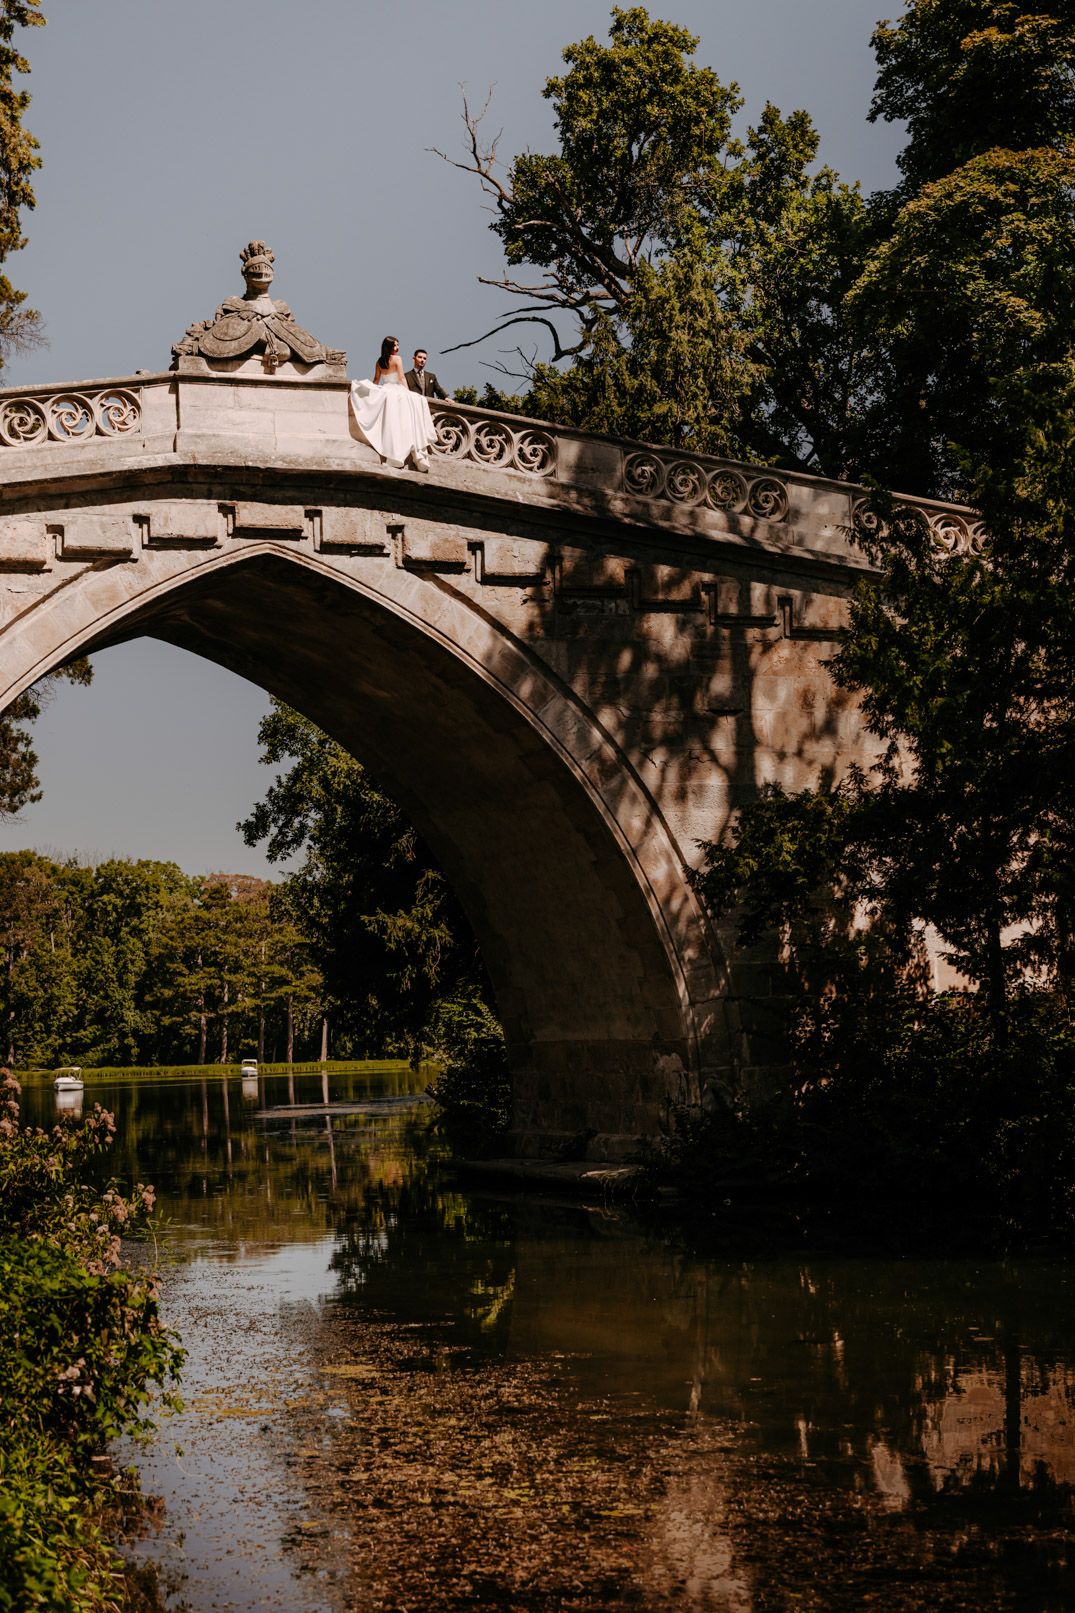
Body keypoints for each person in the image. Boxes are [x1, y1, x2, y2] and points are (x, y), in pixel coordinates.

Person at [349, 335, 438, 470]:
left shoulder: (379, 362)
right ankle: (418, 452)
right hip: (397, 390)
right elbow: (401, 377)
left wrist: (372, 391)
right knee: (414, 409)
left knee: (393, 424)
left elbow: (376, 379)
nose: (398, 347)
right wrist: (407, 392)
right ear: (389, 347)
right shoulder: (397, 359)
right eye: (395, 345)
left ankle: (396, 453)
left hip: (386, 390)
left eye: (397, 344)